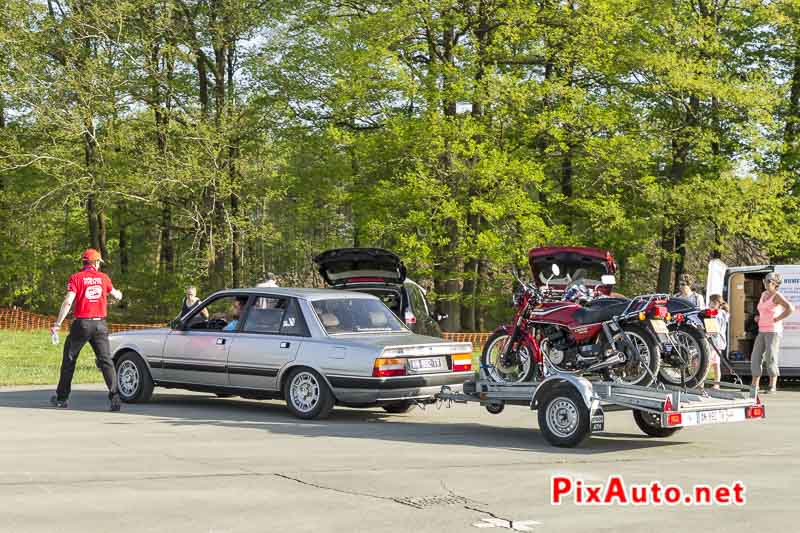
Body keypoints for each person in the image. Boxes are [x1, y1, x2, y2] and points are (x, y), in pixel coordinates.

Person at [49, 249, 123, 411]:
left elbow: (68, 301)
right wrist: (119, 295)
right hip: (100, 325)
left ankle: (62, 398)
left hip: (81, 324)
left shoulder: (76, 278)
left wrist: (58, 323)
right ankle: (115, 397)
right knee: (106, 361)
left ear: (84, 263)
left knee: (69, 360)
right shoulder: (104, 278)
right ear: (96, 263)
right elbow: (117, 295)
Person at [751, 272, 794, 394]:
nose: (766, 282)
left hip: (773, 331)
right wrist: (758, 318)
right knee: (755, 357)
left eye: (769, 281)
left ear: (775, 283)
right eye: (765, 280)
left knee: (770, 358)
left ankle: (772, 386)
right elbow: (763, 310)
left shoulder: (777, 296)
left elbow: (790, 308)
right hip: (762, 330)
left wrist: (777, 319)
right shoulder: (763, 294)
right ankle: (755, 385)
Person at [707, 294, 729, 389]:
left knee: (707, 363)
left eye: (713, 303)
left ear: (718, 304)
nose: (711, 304)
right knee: (716, 364)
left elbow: (712, 328)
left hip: (714, 342)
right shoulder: (724, 313)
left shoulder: (716, 314)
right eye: (710, 302)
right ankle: (717, 384)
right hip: (719, 342)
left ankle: (701, 383)